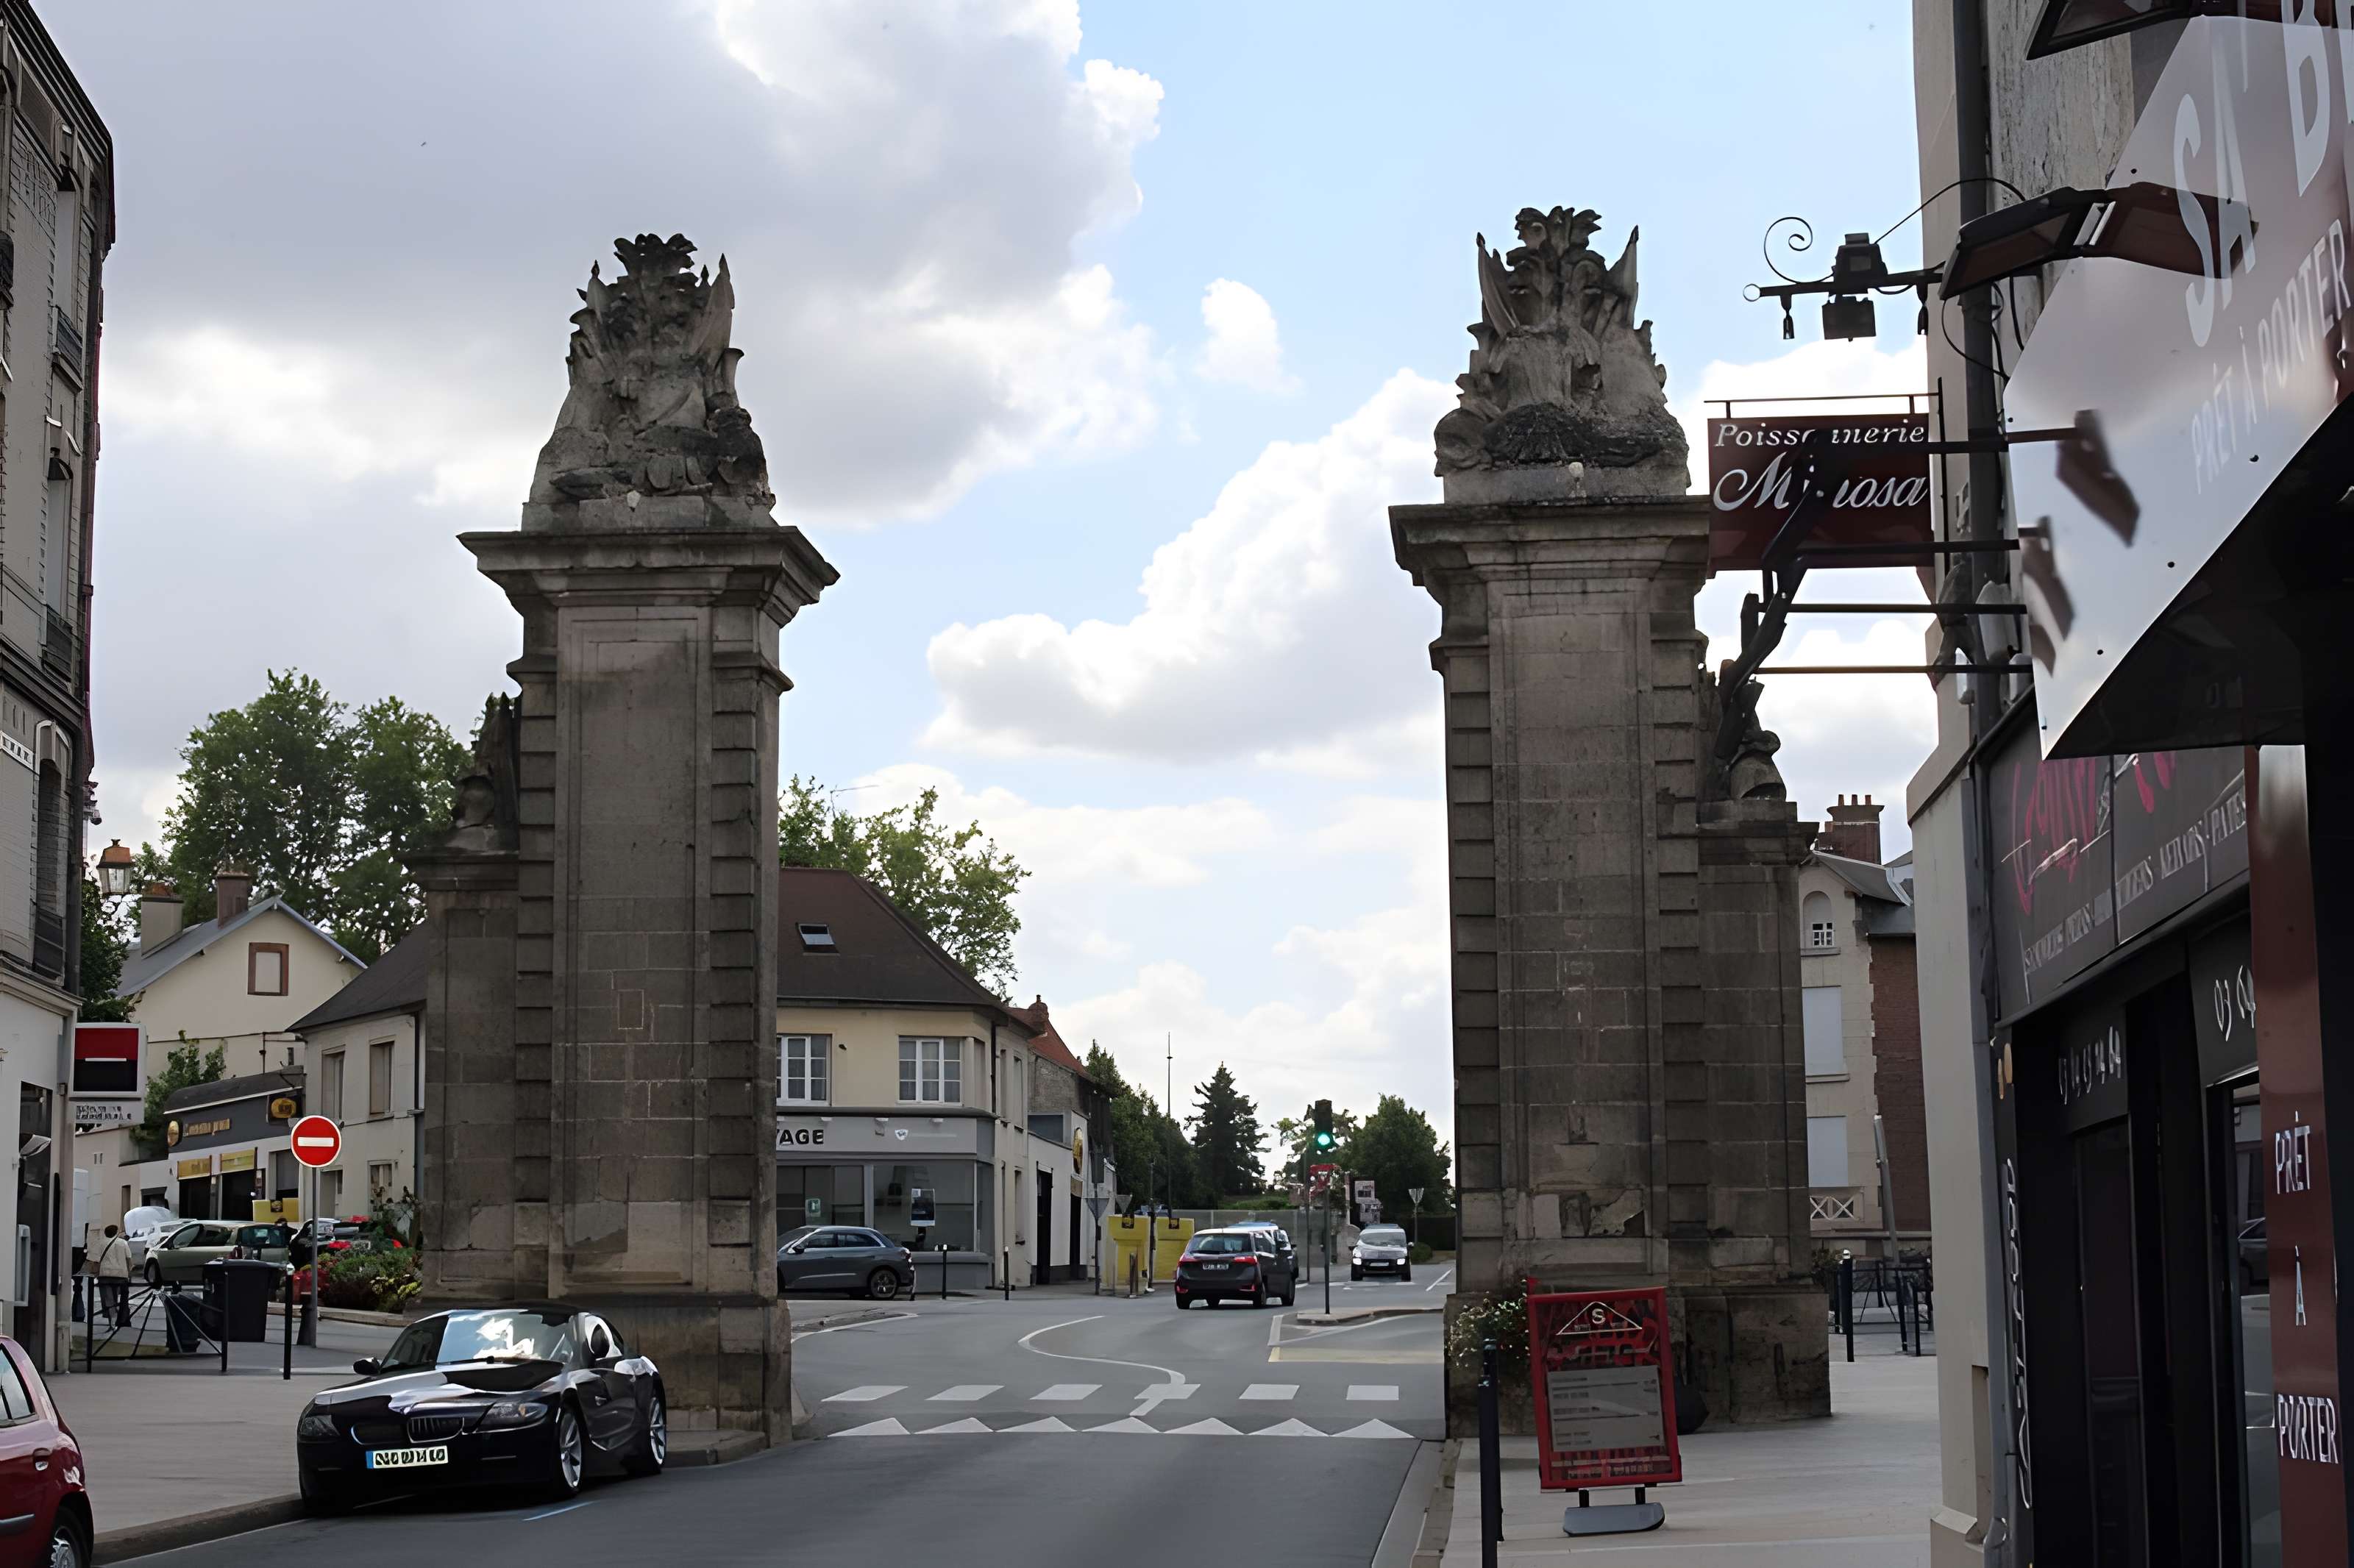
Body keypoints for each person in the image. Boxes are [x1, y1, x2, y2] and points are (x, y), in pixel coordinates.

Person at [91, 1224, 130, 1328]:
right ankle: (122, 1318)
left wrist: (95, 1274)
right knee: (121, 1296)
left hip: (105, 1274)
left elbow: (96, 1261)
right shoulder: (123, 1243)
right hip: (121, 1275)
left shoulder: (100, 1243)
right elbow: (129, 1259)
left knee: (108, 1298)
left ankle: (111, 1319)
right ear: (116, 1232)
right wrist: (129, 1273)